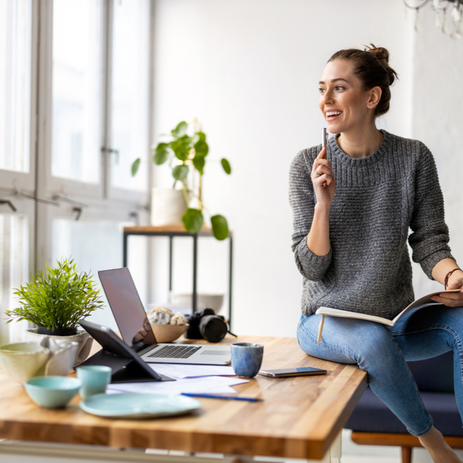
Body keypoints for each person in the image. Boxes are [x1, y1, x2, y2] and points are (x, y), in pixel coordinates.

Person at [289, 45, 463, 463]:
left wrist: (451, 275)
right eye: (322, 89)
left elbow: (429, 240)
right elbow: (312, 266)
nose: (325, 101)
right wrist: (322, 204)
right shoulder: (306, 165)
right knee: (371, 340)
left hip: (395, 319)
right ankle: (434, 444)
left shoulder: (413, 157)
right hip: (324, 322)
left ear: (372, 97)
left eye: (338, 88)